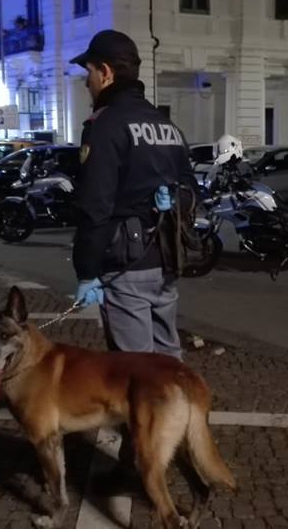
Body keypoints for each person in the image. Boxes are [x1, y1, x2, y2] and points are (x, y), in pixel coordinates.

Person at [69, 30, 196, 359]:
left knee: (135, 370)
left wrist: (86, 271)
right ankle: (178, 410)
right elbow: (191, 192)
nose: (88, 82)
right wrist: (172, 200)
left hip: (126, 264)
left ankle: (146, 413)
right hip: (165, 260)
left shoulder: (106, 125)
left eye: (90, 72)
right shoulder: (166, 124)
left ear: (107, 72)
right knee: (168, 362)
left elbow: (95, 206)